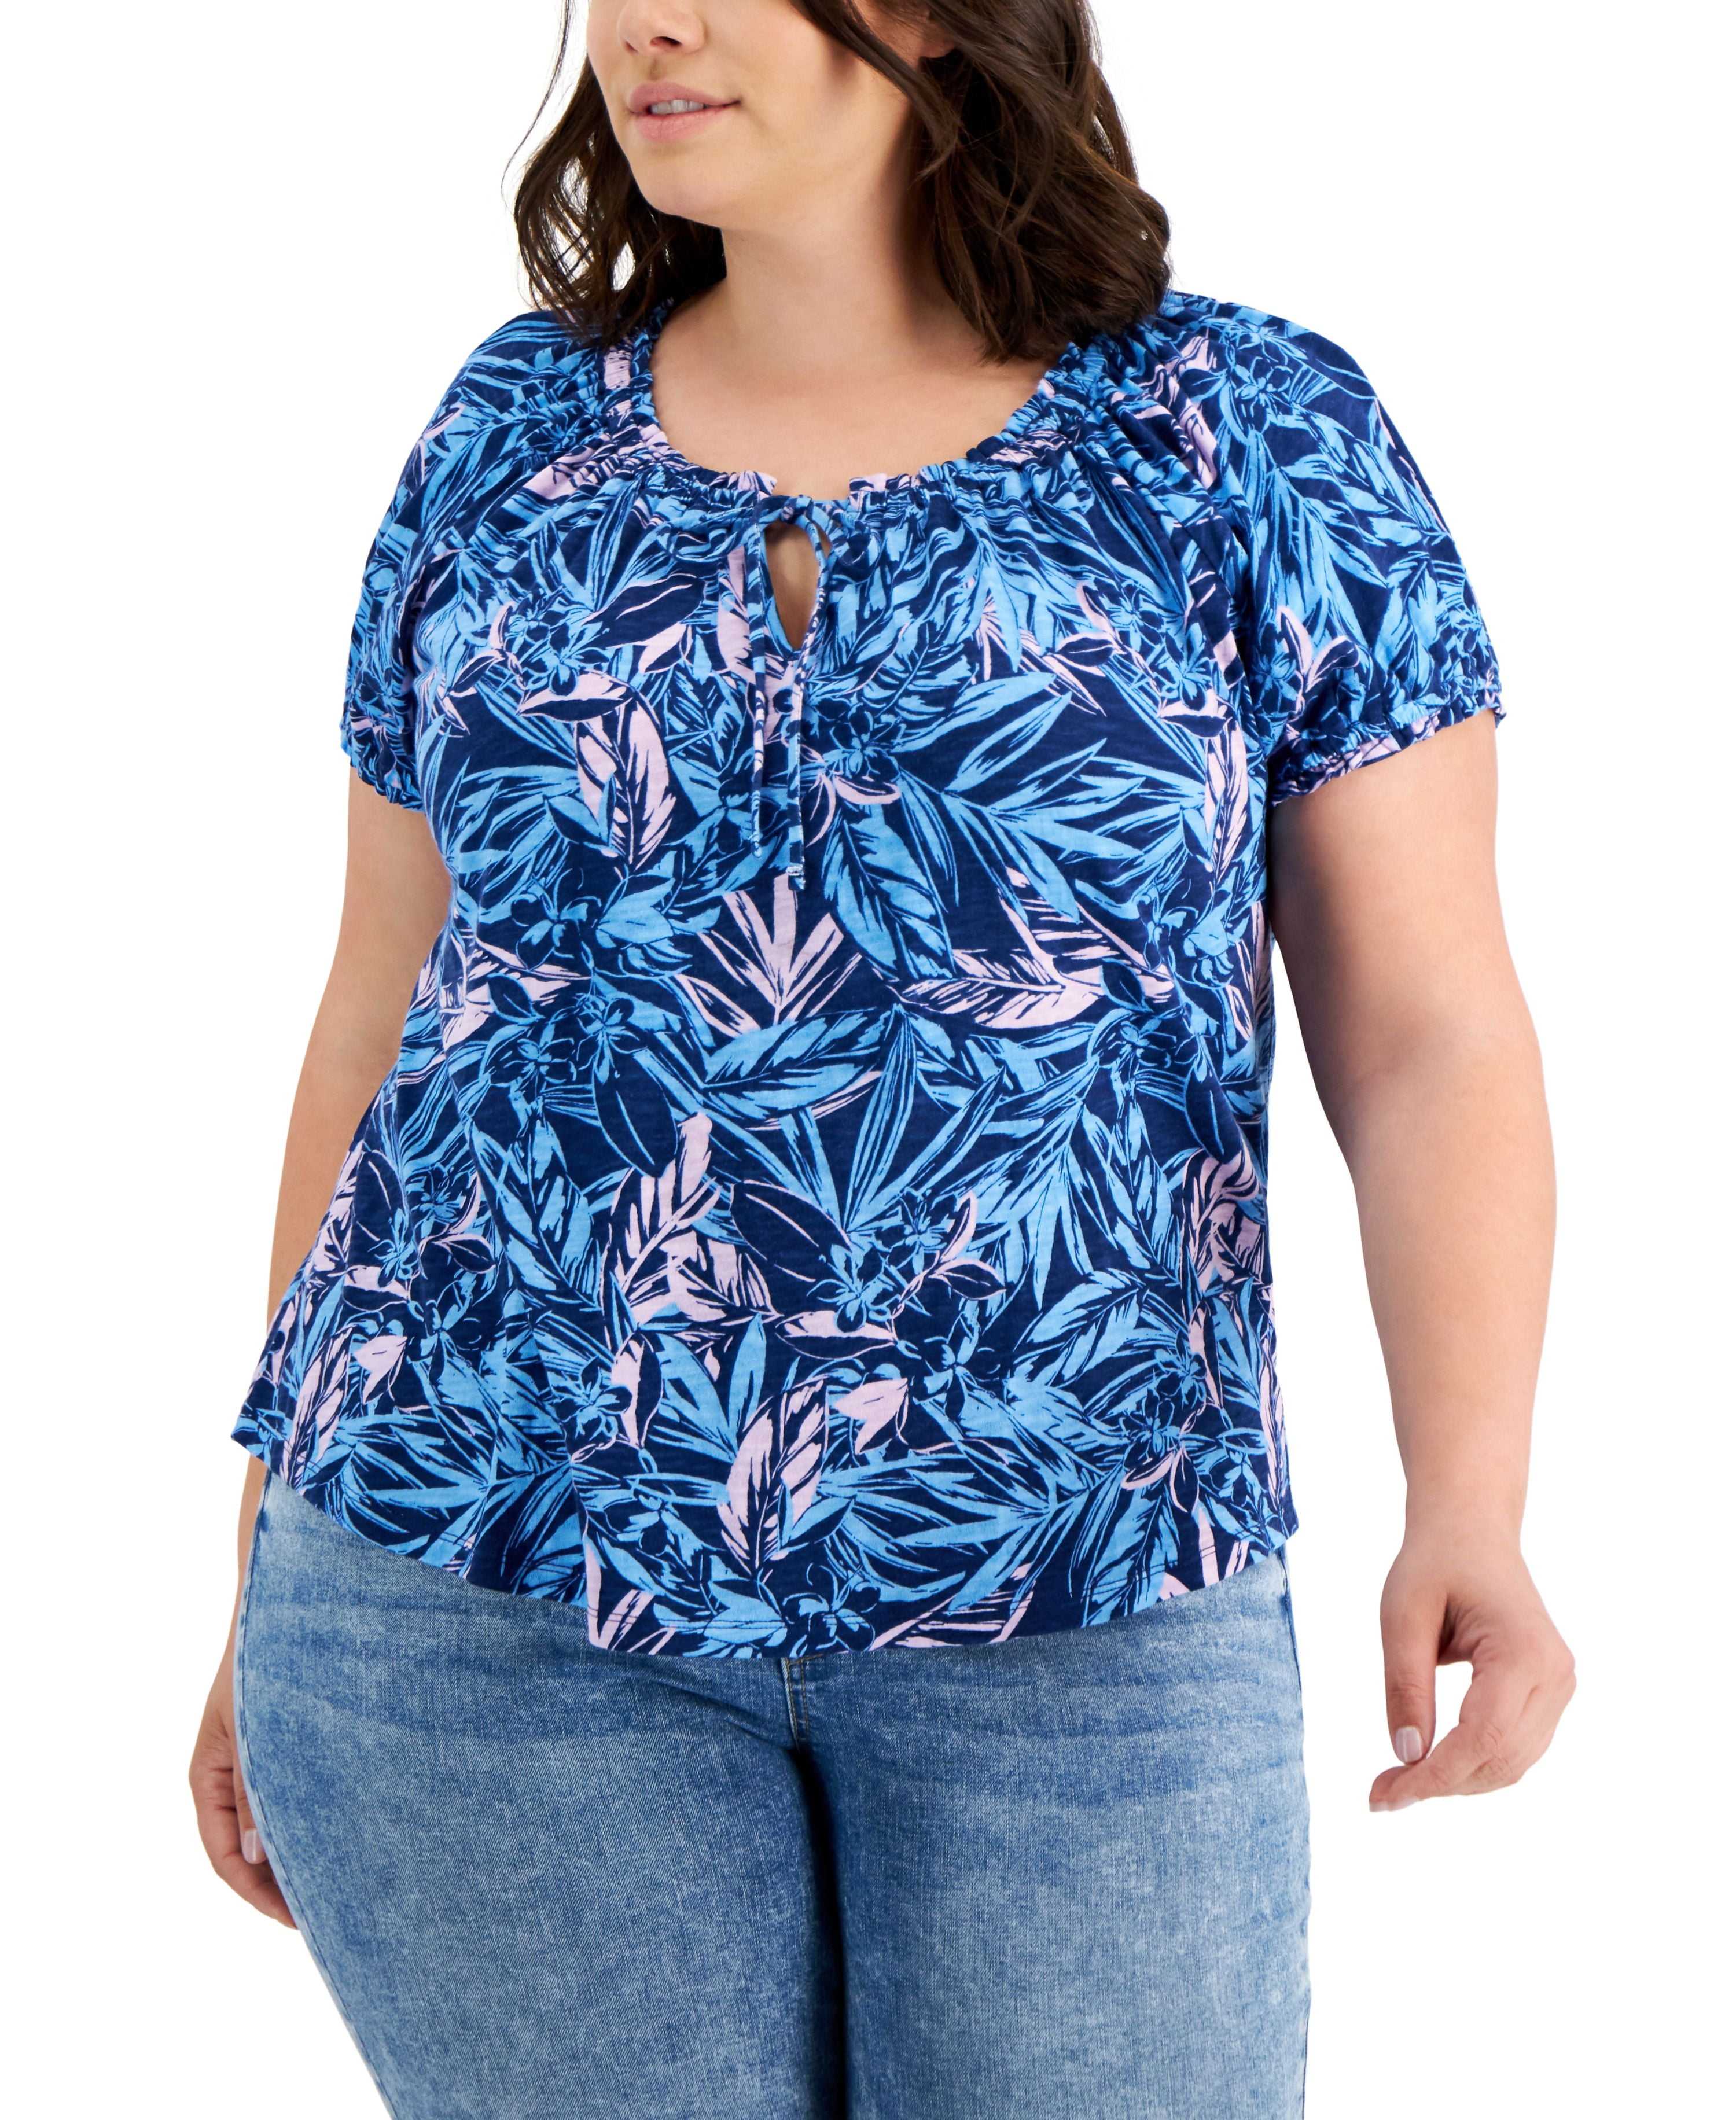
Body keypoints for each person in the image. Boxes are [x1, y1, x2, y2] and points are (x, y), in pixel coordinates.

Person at [189, 2, 1575, 2113]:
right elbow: (383, 1005)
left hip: (1087, 1584)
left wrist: (1471, 1498)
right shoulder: (505, 435)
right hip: (464, 1594)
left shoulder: (1243, 436)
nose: (643, 22)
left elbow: (1429, 1030)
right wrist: (261, 1557)